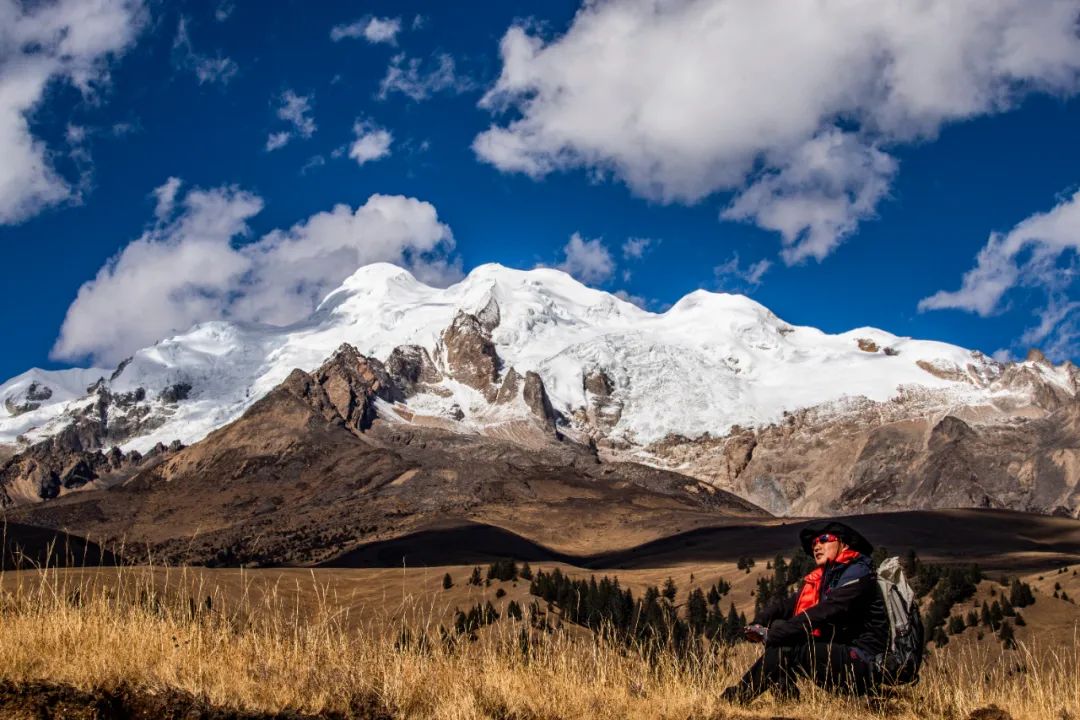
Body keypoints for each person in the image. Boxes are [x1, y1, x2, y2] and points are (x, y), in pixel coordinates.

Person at [721, 521, 890, 703]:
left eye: (824, 540)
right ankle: (787, 698)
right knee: (780, 628)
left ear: (845, 544)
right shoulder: (827, 578)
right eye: (814, 543)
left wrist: (775, 634)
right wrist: (759, 622)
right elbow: (787, 605)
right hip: (840, 656)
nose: (817, 546)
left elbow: (825, 612)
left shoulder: (859, 574)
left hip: (864, 662)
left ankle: (738, 697)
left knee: (789, 646)